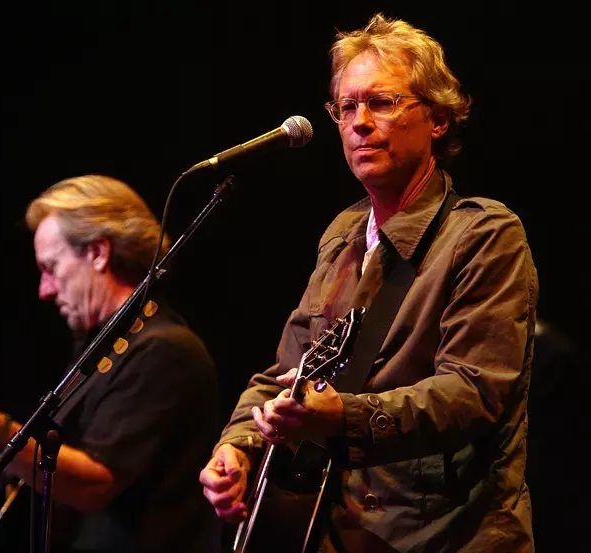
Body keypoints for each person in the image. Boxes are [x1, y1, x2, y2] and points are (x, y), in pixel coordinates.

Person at [200, 13, 537, 553]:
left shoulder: (485, 233)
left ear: (438, 118)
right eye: (347, 106)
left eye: (382, 102)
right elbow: (288, 370)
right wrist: (237, 446)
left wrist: (343, 415)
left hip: (446, 535)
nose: (359, 122)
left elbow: (473, 392)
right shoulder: (343, 233)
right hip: (336, 531)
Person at [0, 174, 218, 552]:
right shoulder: (103, 348)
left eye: (51, 267)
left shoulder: (165, 351)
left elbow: (95, 485)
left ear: (98, 253)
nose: (44, 290)